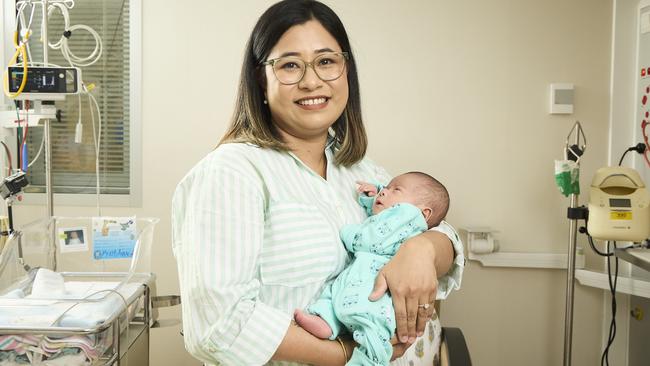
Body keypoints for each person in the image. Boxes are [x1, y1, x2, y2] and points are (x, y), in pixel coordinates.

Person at [171, 1, 465, 365]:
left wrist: (422, 249)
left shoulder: (361, 171)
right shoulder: (231, 173)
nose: (312, 81)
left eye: (326, 61)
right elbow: (219, 324)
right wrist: (348, 353)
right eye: (290, 65)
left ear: (346, 73)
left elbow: (441, 228)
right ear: (261, 79)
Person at [294, 172, 450, 365]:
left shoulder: (407, 217)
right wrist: (373, 197)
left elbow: (374, 238)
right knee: (334, 291)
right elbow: (381, 219)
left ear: (423, 213)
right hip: (360, 276)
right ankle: (326, 321)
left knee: (372, 334)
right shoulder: (399, 219)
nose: (384, 191)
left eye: (395, 190)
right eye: (385, 187)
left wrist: (350, 234)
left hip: (377, 296)